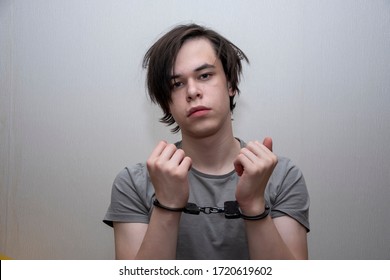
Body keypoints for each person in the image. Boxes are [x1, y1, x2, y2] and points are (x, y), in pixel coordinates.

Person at [103, 23, 310, 260]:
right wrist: (168, 205)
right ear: (165, 102)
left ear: (230, 84)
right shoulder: (134, 183)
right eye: (177, 84)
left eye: (204, 75)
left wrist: (254, 205)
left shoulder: (280, 175)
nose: (192, 91)